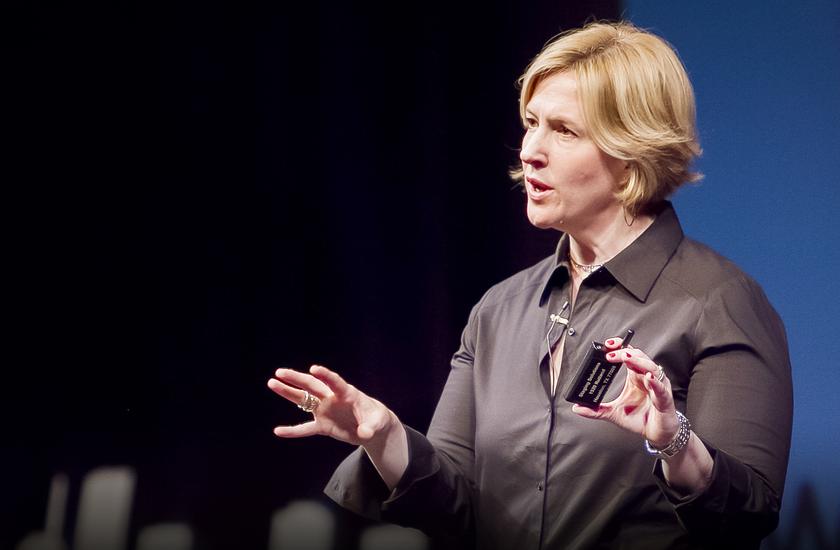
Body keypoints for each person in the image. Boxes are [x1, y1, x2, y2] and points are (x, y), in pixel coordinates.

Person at [267, 20, 792, 550]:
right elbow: (457, 505)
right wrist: (385, 436)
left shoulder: (716, 302)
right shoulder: (500, 309)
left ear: (633, 150)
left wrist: (674, 442)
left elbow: (748, 515)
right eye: (532, 123)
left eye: (563, 131)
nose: (530, 150)